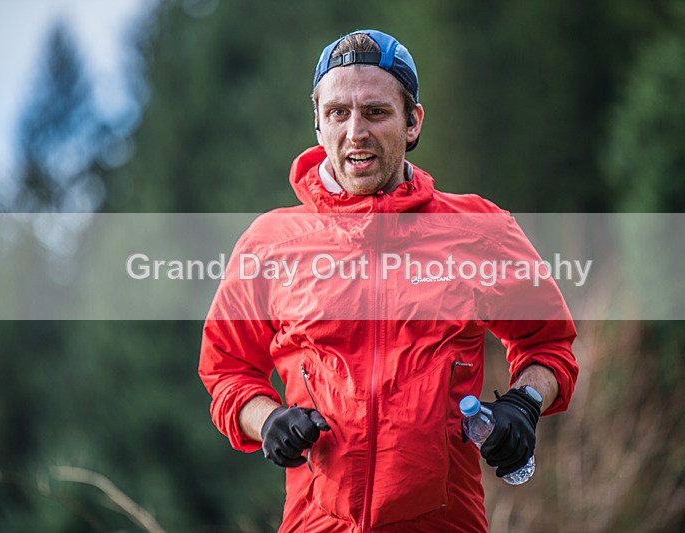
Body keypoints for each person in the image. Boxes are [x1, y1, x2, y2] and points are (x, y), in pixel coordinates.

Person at [199, 29, 578, 532]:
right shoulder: (270, 242)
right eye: (338, 113)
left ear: (412, 122)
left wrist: (523, 404)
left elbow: (548, 344)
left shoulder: (479, 231)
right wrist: (266, 420)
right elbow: (227, 369)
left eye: (375, 112)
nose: (355, 131)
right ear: (317, 124)